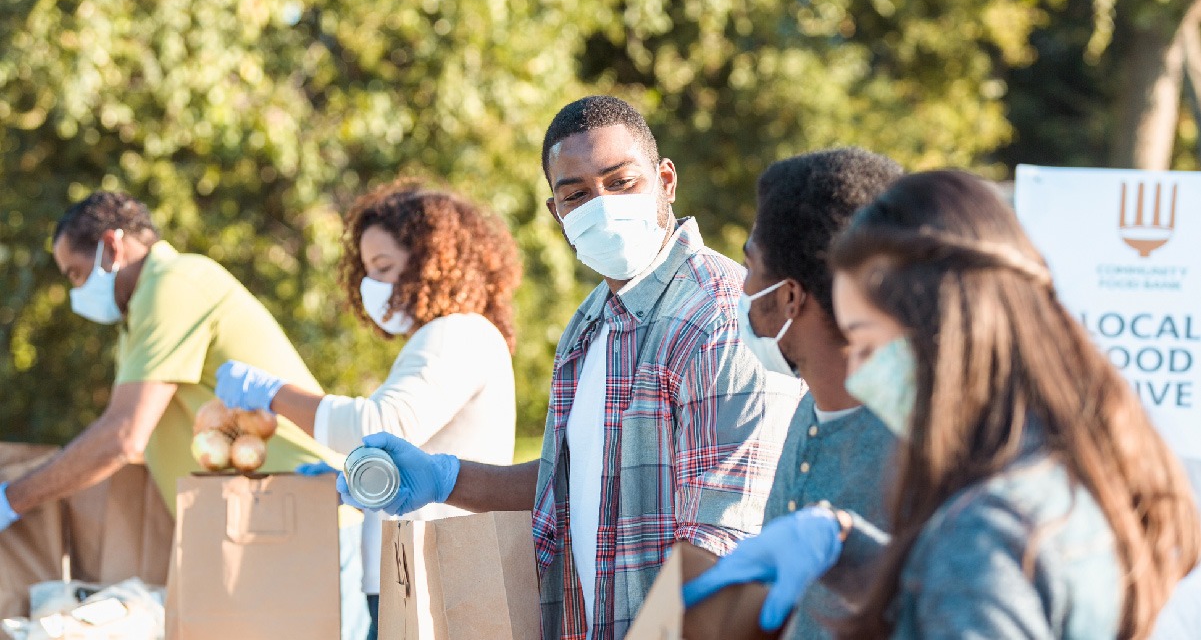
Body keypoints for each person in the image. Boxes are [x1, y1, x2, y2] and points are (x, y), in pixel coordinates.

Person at [335, 95, 801, 640]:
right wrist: (446, 478)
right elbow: (572, 481)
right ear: (556, 212)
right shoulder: (589, 325)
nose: (600, 204)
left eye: (620, 182)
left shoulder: (718, 319)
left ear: (666, 180)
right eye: (576, 194)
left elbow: (724, 543)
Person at [686, 170, 1201, 638]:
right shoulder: (1064, 472)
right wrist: (846, 547)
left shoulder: (987, 529)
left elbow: (975, 579)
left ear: (941, 332)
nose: (859, 374)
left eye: (865, 342)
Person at [0, 191, 371, 640]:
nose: (78, 292)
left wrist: (11, 500)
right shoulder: (137, 313)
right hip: (252, 523)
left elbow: (122, 436)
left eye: (77, 275)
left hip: (296, 514)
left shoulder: (173, 284)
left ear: (112, 247)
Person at [215, 181, 521, 638]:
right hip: (417, 573)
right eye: (366, 271)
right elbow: (412, 450)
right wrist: (359, 486)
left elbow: (379, 424)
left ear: (431, 262)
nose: (371, 286)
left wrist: (273, 392)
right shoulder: (447, 337)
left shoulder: (456, 334)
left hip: (438, 578)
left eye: (383, 268)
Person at [740, 148, 901, 639]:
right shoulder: (809, 405)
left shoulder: (915, 445)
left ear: (789, 295)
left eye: (750, 267)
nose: (741, 287)